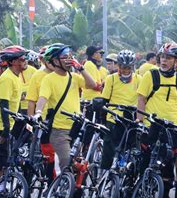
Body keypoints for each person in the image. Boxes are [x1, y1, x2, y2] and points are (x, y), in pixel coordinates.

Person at [137, 42, 177, 198]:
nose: (164, 60)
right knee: (146, 159)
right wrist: (140, 121)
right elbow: (141, 99)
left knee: (168, 162)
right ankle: (143, 193)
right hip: (151, 125)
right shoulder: (150, 75)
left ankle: (165, 197)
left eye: (169, 58)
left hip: (171, 128)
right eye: (162, 57)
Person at [34, 44, 96, 172]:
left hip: (77, 128)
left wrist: (80, 67)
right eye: (65, 58)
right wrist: (38, 112)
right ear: (56, 61)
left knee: (79, 166)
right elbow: (42, 98)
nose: (69, 60)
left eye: (70, 57)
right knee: (66, 162)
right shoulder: (49, 79)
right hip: (59, 130)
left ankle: (75, 190)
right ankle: (62, 190)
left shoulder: (74, 77)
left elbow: (92, 84)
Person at [0, 46, 26, 187]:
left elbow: (16, 103)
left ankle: (3, 188)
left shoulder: (16, 77)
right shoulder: (7, 78)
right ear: (14, 62)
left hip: (8, 123)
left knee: (6, 158)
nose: (25, 61)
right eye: (22, 59)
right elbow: (4, 106)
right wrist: (5, 130)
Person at [95, 50, 140, 170]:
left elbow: (142, 99)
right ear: (118, 66)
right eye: (122, 67)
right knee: (108, 149)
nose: (125, 70)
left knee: (129, 149)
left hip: (130, 119)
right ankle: (104, 174)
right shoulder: (111, 79)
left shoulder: (139, 79)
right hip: (113, 118)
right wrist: (102, 120)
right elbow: (105, 100)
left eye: (128, 68)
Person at [26, 45, 55, 186]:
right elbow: (31, 100)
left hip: (61, 121)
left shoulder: (63, 74)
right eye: (44, 58)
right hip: (42, 120)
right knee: (40, 154)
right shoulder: (37, 75)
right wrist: (31, 121)